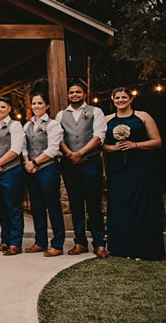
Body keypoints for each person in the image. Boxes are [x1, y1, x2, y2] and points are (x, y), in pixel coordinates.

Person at [103, 87, 164, 260]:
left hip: (141, 167)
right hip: (118, 168)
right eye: (117, 98)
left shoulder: (143, 116)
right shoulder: (107, 120)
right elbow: (101, 145)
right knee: (120, 205)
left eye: (124, 97)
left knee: (142, 206)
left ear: (131, 99)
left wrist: (135, 145)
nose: (120, 100)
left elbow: (157, 141)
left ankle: (144, 247)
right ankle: (122, 248)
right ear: (112, 99)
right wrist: (113, 148)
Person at [56, 81, 108, 258]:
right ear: (68, 95)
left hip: (90, 161)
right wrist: (70, 154)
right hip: (69, 163)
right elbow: (58, 137)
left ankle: (99, 243)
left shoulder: (96, 111)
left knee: (94, 203)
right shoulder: (61, 115)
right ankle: (80, 242)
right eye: (71, 92)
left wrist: (81, 153)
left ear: (84, 94)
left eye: (78, 92)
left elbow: (99, 136)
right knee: (75, 203)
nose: (75, 95)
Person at [22, 92, 65, 257]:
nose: (36, 106)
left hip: (47, 168)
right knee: (37, 207)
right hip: (31, 169)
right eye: (34, 103)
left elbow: (53, 148)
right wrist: (27, 162)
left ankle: (57, 243)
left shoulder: (53, 124)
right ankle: (40, 242)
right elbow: (24, 146)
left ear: (47, 106)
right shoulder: (27, 126)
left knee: (52, 206)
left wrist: (35, 162)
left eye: (40, 103)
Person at [0, 96, 25, 256]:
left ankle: (16, 243)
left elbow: (16, 149)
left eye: (3, 107)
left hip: (11, 171)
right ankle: (5, 241)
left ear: (9, 109)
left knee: (13, 208)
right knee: (0, 208)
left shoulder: (15, 125)